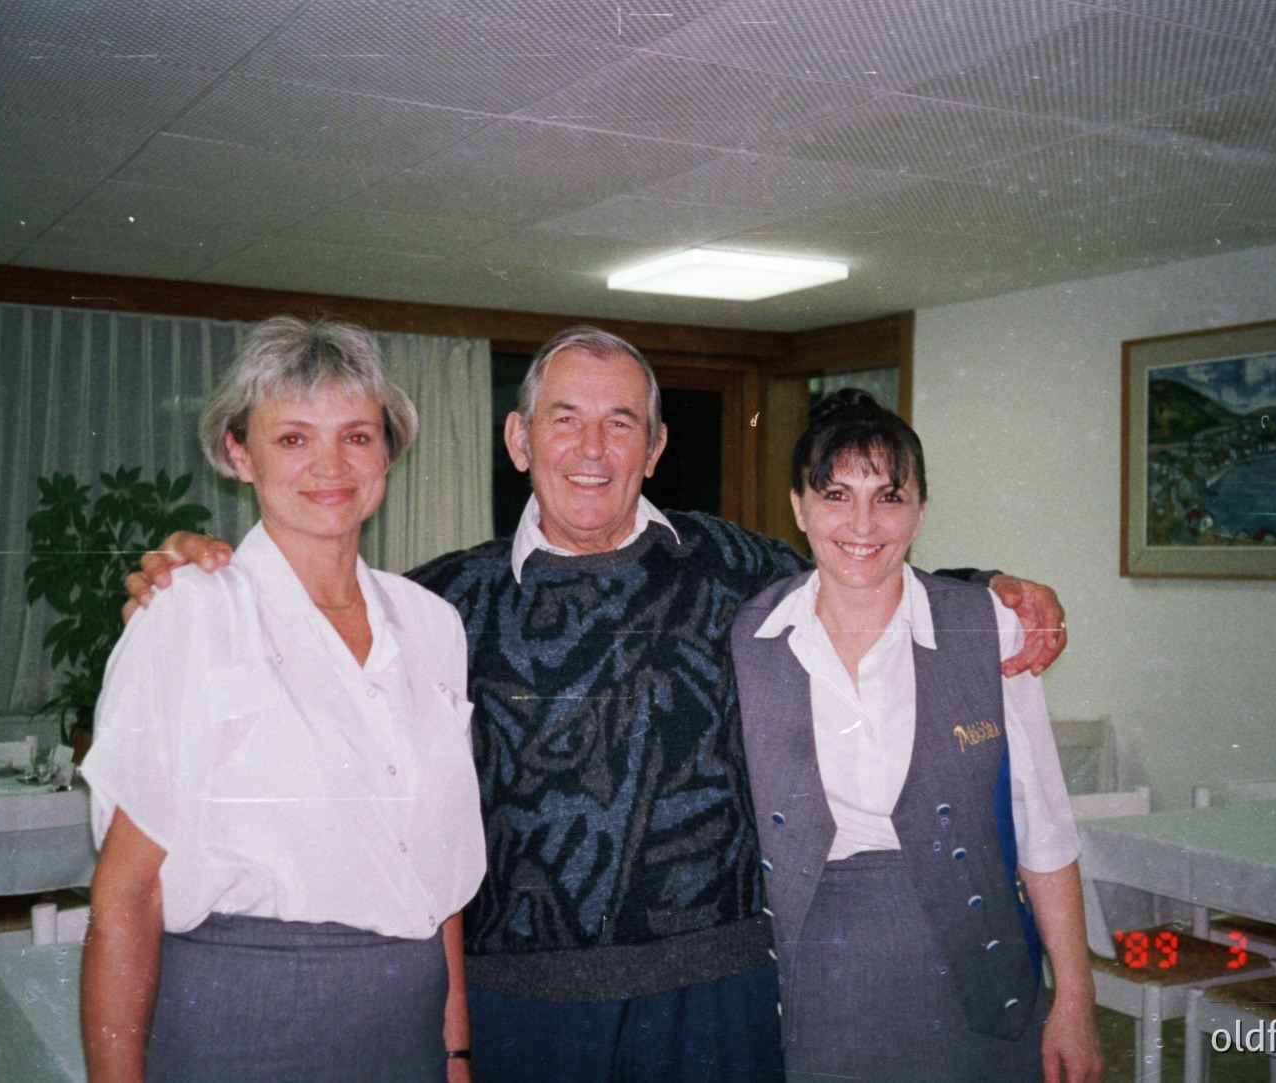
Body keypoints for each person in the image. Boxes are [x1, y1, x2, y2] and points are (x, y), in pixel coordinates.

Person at [126, 325, 1069, 1081]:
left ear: (654, 447)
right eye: (563, 417)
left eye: (620, 422)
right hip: (517, 1004)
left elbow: (864, 569)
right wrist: (189, 563)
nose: (589, 447)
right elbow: (309, 609)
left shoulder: (737, 568)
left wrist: (994, 588)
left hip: (717, 989)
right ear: (517, 437)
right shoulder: (434, 604)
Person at [81, 317, 485, 1081]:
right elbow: (125, 894)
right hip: (244, 1024)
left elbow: (436, 875)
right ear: (240, 452)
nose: (330, 465)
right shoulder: (189, 611)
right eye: (294, 437)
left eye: (358, 436)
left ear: (389, 451)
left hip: (407, 1028)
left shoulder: (433, 625)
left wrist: (454, 1052)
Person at [730, 389, 1102, 1082]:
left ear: (921, 511)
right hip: (817, 970)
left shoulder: (987, 624)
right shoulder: (748, 638)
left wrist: (1075, 998)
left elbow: (1043, 824)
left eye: (889, 496)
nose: (862, 523)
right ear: (798, 508)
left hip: (975, 954)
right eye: (836, 495)